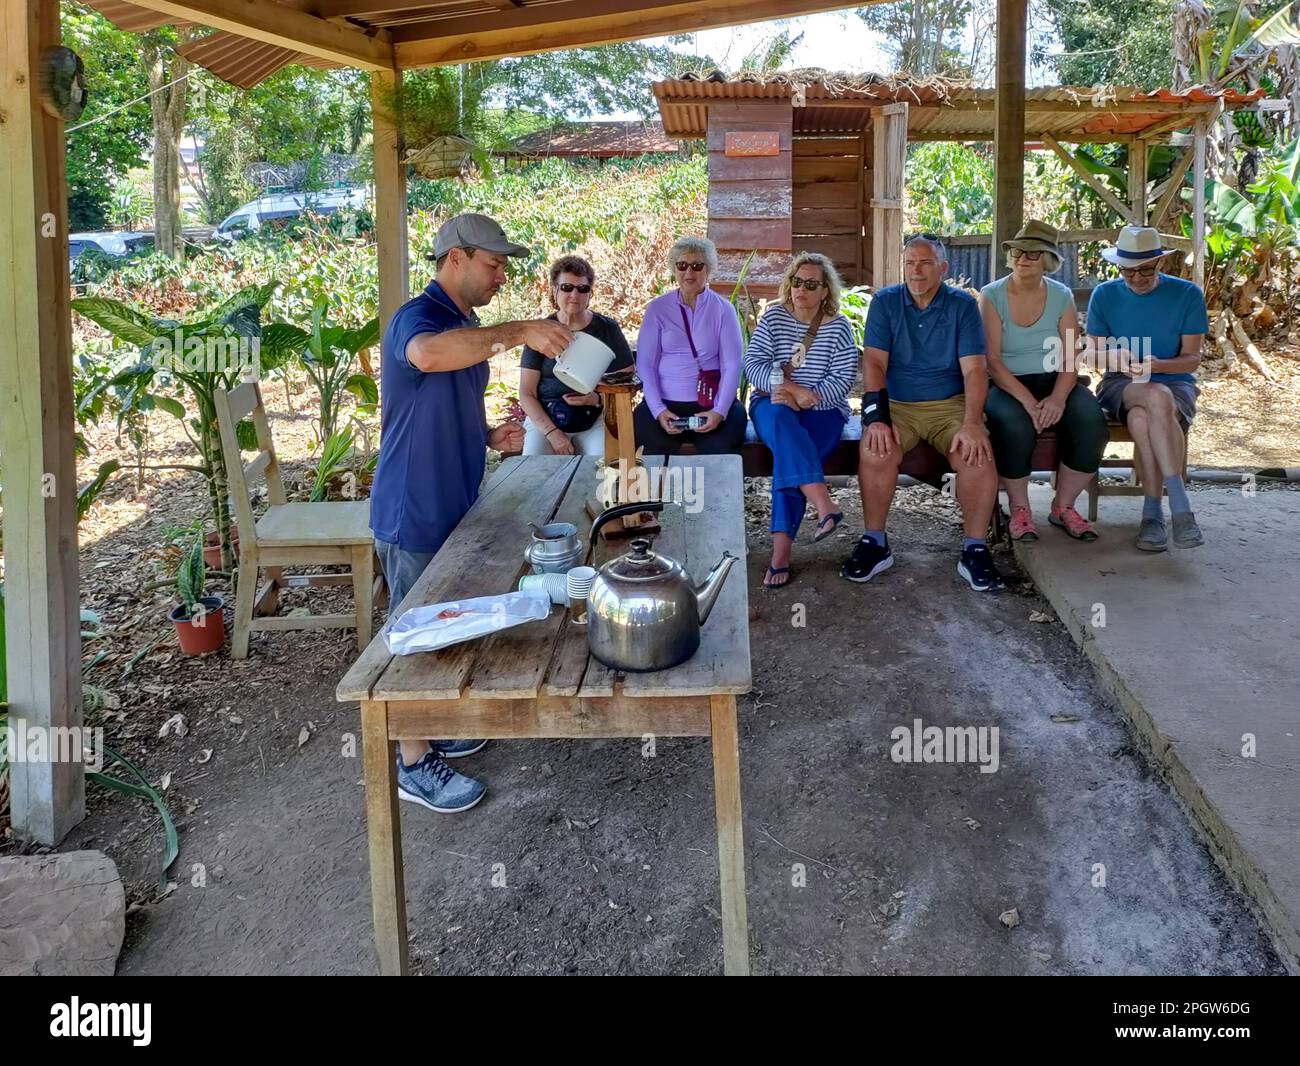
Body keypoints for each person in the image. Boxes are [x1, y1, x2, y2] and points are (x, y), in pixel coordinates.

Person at [369, 212, 572, 813]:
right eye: (494, 263)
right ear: (455, 258)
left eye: (505, 264)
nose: (502, 274)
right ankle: (412, 762)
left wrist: (487, 435)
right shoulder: (420, 317)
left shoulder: (464, 322)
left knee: (448, 615)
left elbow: (437, 393)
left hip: (456, 493)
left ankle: (439, 722)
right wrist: (520, 331)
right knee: (412, 633)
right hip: (413, 501)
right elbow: (427, 358)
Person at [840, 234, 1006, 591]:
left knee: (977, 454)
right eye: (910, 263)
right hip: (898, 403)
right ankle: (875, 542)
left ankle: (974, 547)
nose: (916, 271)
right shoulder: (885, 302)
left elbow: (975, 369)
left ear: (943, 268)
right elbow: (873, 363)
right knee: (875, 447)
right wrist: (876, 417)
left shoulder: (962, 305)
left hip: (951, 403)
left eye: (926, 263)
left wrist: (973, 423)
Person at [979, 220, 1109, 541]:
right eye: (1019, 252)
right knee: (1012, 424)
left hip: (1056, 379)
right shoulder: (991, 295)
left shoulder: (1061, 296)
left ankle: (1063, 507)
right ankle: (1020, 510)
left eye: (1034, 254)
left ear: (1048, 261)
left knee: (1091, 422)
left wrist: (1058, 398)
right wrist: (1028, 401)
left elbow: (1070, 355)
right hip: (1007, 383)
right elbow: (992, 360)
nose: (1023, 258)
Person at [1086, 225, 1209, 551]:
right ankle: (1180, 504)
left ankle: (1152, 514)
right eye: (1128, 272)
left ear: (1160, 263)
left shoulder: (1187, 295)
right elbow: (1088, 354)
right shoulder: (1105, 294)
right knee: (1155, 396)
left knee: (1144, 417)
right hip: (1121, 384)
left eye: (1145, 270)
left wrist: (1158, 365)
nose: (1137, 278)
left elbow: (1191, 360)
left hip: (1175, 382)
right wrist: (1113, 355)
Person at [743, 252, 859, 588]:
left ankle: (780, 556)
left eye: (811, 284)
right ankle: (825, 505)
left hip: (823, 412)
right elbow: (753, 366)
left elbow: (842, 382)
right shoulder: (774, 318)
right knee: (781, 419)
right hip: (773, 404)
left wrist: (806, 401)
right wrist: (789, 389)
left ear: (825, 291)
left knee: (788, 458)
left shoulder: (839, 328)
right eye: (796, 281)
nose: (801, 289)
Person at [633, 236, 747, 454]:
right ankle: (659, 489)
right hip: (666, 405)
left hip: (712, 403)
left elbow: (732, 364)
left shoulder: (723, 309)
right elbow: (646, 364)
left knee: (722, 450)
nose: (689, 273)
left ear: (708, 269)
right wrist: (658, 410)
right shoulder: (658, 309)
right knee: (650, 451)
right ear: (674, 269)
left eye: (697, 266)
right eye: (682, 265)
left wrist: (719, 411)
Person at [518, 254, 633, 456]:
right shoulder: (540, 330)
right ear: (554, 290)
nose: (575, 295)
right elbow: (526, 393)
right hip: (546, 420)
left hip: (595, 417)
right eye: (566, 287)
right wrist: (553, 434)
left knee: (598, 470)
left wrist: (596, 399)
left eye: (582, 289)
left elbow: (626, 381)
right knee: (532, 467)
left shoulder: (607, 329)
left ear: (590, 294)